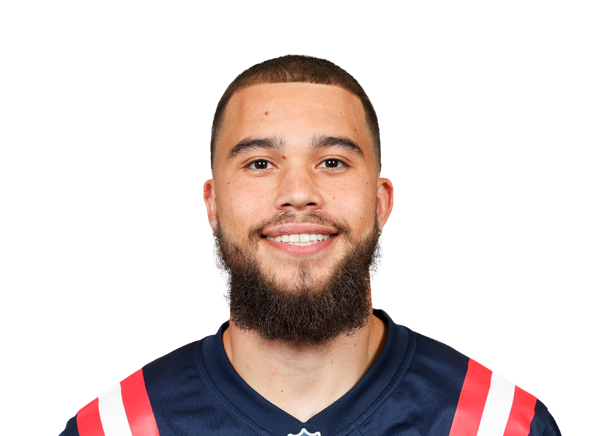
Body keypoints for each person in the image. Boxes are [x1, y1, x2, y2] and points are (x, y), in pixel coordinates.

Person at [60, 54, 560, 436]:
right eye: (260, 163)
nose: (298, 193)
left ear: (381, 202)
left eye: (333, 162)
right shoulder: (117, 427)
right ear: (212, 204)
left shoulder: (498, 424)